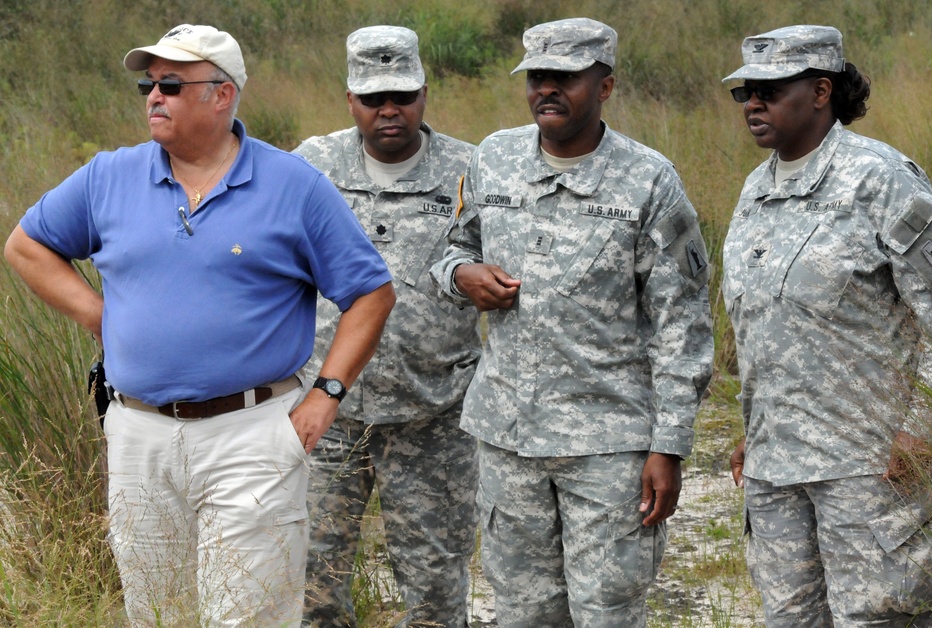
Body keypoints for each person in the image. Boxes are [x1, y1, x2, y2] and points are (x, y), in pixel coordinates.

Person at [3, 24, 395, 626]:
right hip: (138, 434)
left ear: (223, 94)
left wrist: (328, 392)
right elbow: (26, 245)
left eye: (171, 84)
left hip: (252, 433)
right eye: (148, 84)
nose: (153, 97)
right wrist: (104, 319)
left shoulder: (294, 186)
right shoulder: (109, 176)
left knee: (248, 616)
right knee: (160, 613)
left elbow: (371, 293)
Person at [430, 17, 714, 626]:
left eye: (566, 78)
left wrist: (670, 445)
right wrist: (461, 277)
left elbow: (682, 325)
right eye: (537, 77)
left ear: (605, 86)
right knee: (523, 613)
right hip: (507, 438)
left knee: (607, 612)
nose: (546, 90)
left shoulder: (649, 180)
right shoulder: (494, 158)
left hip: (608, 446)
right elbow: (450, 250)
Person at [721, 25, 932, 626]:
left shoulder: (882, 180)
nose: (753, 103)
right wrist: (757, 426)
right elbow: (769, 325)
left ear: (821, 91)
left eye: (769, 89)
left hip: (871, 473)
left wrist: (925, 435)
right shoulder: (755, 190)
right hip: (776, 470)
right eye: (745, 92)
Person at [293, 25, 480, 627]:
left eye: (402, 95)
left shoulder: (470, 171)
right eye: (373, 98)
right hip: (326, 412)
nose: (389, 110)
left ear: (425, 92)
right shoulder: (309, 167)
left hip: (434, 418)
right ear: (350, 100)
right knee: (309, 580)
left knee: (434, 589)